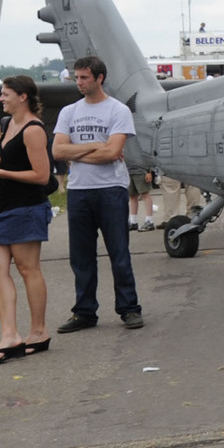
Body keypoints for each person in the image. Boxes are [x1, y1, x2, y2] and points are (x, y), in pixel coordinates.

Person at [52, 55, 142, 332]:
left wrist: (77, 153)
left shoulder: (117, 111)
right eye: (76, 77)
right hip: (79, 190)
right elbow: (57, 151)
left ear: (99, 78)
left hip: (110, 190)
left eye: (84, 77)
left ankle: (129, 308)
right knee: (81, 256)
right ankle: (84, 311)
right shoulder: (69, 112)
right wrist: (95, 148)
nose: (78, 82)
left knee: (119, 252)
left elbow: (113, 152)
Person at [0, 76, 53, 366]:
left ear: (23, 97)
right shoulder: (5, 125)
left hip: (27, 207)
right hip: (1, 206)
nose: (0, 99)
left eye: (5, 94)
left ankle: (39, 332)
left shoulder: (34, 130)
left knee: (27, 269)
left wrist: (1, 174)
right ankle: (10, 336)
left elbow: (41, 176)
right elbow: (8, 161)